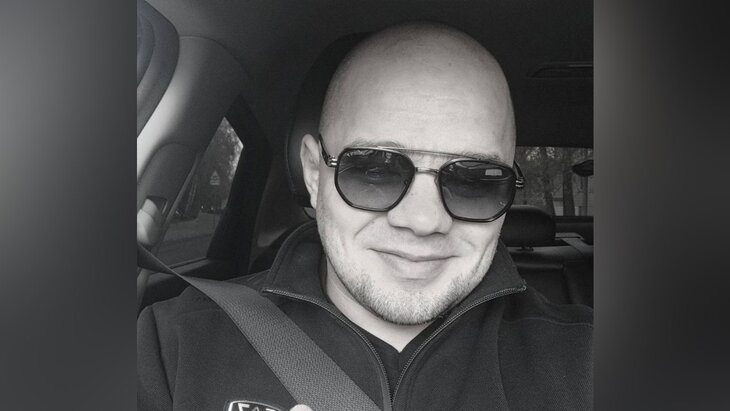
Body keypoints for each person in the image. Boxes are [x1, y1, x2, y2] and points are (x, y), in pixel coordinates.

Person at [138, 22, 592, 411]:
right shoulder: (171, 347)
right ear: (314, 174)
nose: (423, 220)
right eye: (375, 170)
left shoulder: (586, 361)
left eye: (474, 180)